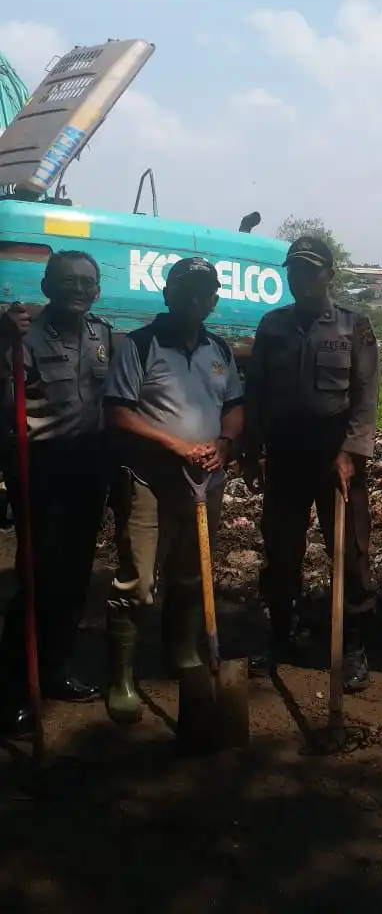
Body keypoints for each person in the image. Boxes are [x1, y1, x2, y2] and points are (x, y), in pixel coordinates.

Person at [101, 257, 244, 724]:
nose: (195, 300)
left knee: (190, 574)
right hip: (150, 483)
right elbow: (120, 412)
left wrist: (224, 444)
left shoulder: (218, 349)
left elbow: (235, 408)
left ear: (214, 300)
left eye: (204, 293)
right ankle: (120, 676)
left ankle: (181, 652)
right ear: (167, 295)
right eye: (185, 291)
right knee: (139, 582)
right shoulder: (140, 346)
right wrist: (175, 445)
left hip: (205, 484)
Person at [242, 237, 378, 693]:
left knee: (349, 553)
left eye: (311, 270)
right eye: (294, 270)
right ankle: (282, 632)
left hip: (336, 455)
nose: (301, 278)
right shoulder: (272, 325)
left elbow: (365, 398)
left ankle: (354, 644)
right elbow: (256, 392)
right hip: (284, 453)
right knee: (281, 550)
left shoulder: (353, 326)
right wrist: (250, 451)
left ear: (329, 275)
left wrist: (350, 453)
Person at [0, 251, 113, 734]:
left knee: (74, 577)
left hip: (89, 470)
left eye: (89, 282)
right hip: (40, 468)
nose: (80, 289)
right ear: (47, 286)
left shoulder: (103, 335)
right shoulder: (19, 335)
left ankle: (56, 669)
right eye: (69, 281)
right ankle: (13, 688)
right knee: (37, 577)